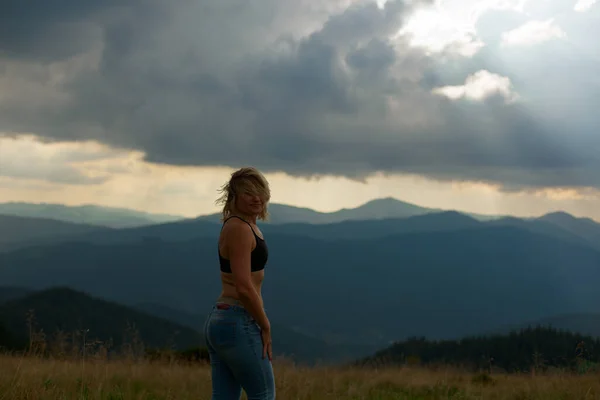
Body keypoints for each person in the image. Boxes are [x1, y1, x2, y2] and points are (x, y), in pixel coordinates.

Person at [203, 166, 276, 400]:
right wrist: (265, 325)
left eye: (260, 192)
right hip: (238, 319)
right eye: (248, 192)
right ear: (234, 197)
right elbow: (243, 286)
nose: (256, 198)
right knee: (263, 394)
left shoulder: (240, 225)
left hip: (224, 320)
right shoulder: (240, 229)